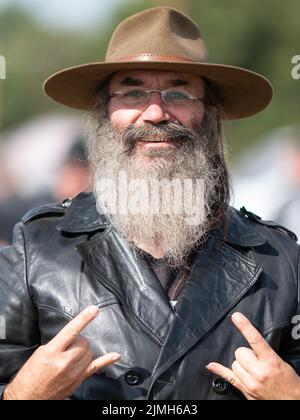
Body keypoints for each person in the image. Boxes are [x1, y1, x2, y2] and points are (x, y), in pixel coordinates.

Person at [0, 7, 299, 400]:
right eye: (133, 92)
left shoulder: (281, 260)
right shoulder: (34, 252)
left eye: (178, 93)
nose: (156, 113)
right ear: (105, 113)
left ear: (208, 115)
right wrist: (22, 395)